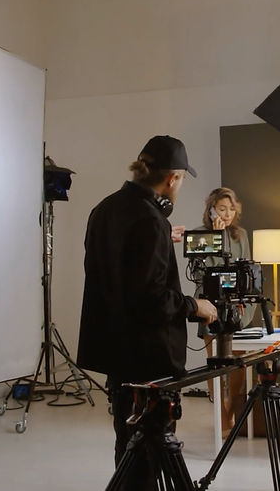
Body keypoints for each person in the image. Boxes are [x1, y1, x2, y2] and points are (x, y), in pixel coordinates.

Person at [76, 135, 218, 486]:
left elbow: (112, 272)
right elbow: (152, 298)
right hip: (149, 358)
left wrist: (161, 239)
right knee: (150, 448)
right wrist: (196, 306)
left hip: (116, 353)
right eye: (181, 181)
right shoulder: (152, 220)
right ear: (173, 178)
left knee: (128, 443)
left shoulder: (104, 209)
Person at [194, 187, 255, 431]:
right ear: (211, 210)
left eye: (231, 208)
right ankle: (221, 413)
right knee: (215, 363)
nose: (228, 214)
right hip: (209, 304)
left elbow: (245, 271)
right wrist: (216, 238)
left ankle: (230, 407)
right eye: (222, 209)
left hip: (237, 304)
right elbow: (203, 275)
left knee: (238, 361)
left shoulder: (241, 235)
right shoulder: (200, 235)